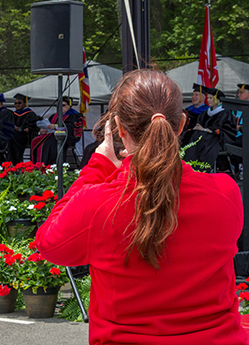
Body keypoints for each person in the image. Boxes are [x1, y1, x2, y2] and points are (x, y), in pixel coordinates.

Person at [35, 70, 247, 345]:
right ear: (181, 124)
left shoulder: (98, 203)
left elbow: (49, 244)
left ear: (120, 129)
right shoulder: (225, 192)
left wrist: (97, 167)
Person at [183, 86, 237, 171]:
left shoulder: (225, 113)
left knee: (201, 136)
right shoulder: (206, 112)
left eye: (211, 98)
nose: (208, 100)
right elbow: (200, 123)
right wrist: (198, 127)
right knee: (189, 134)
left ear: (218, 99)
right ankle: (188, 165)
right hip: (204, 135)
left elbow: (225, 129)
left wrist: (206, 130)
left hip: (218, 138)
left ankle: (201, 167)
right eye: (208, 98)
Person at [31, 96, 84, 165]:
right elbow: (48, 125)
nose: (61, 107)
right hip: (51, 135)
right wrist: (43, 130)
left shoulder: (75, 116)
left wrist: (56, 127)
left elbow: (71, 129)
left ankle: (49, 167)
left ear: (69, 106)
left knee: (47, 145)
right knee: (35, 141)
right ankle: (36, 166)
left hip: (64, 138)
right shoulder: (54, 116)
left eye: (64, 105)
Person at [8, 93, 39, 164]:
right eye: (15, 103)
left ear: (25, 104)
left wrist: (25, 129)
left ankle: (15, 162)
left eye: (19, 103)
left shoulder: (31, 114)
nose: (17, 105)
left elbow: (34, 126)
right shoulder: (13, 114)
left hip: (25, 137)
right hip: (14, 136)